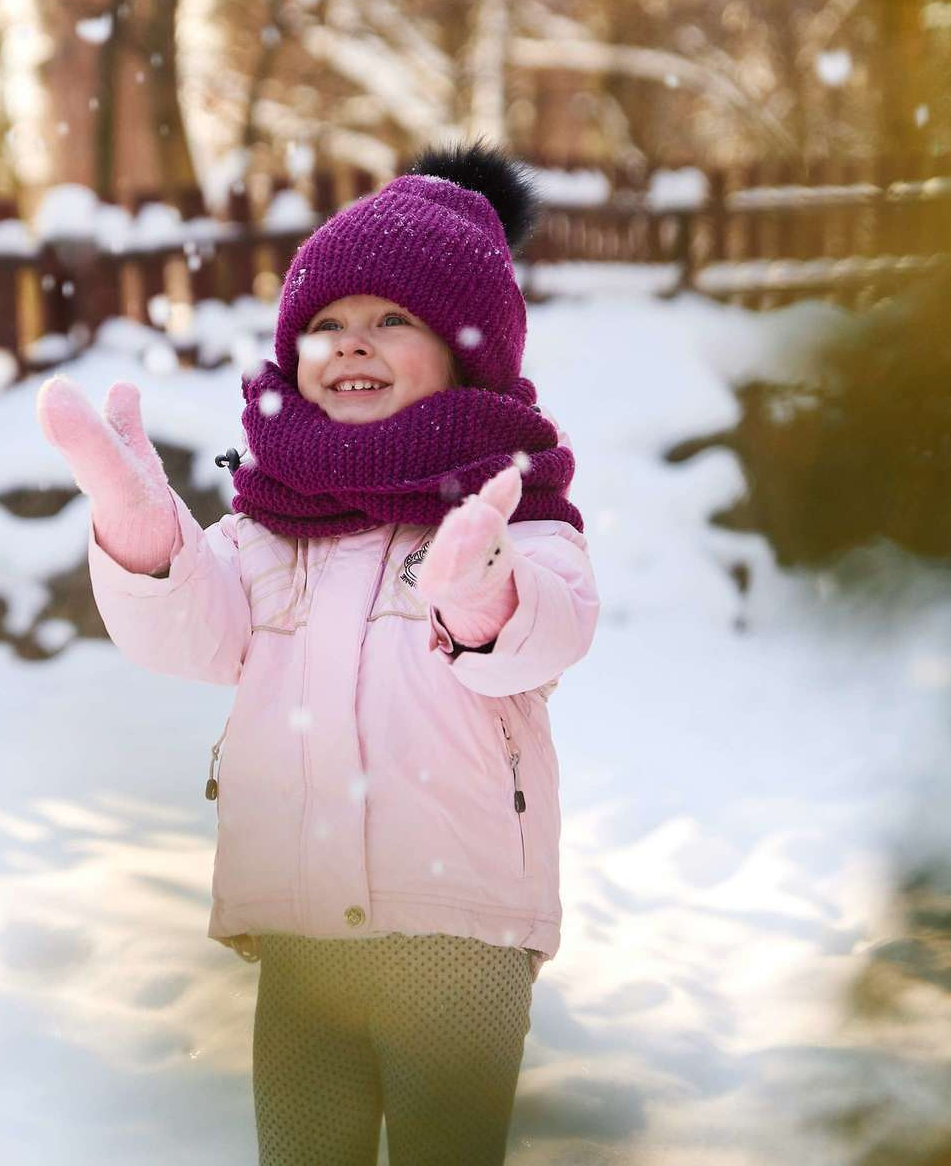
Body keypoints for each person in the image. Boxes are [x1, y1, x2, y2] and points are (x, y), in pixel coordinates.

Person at [37, 142, 599, 1164]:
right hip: (300, 928)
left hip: (455, 924)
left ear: (466, 354)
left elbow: (549, 631)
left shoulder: (510, 503)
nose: (353, 343)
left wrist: (480, 590)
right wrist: (141, 532)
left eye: (392, 320)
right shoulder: (270, 519)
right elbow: (193, 634)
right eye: (327, 324)